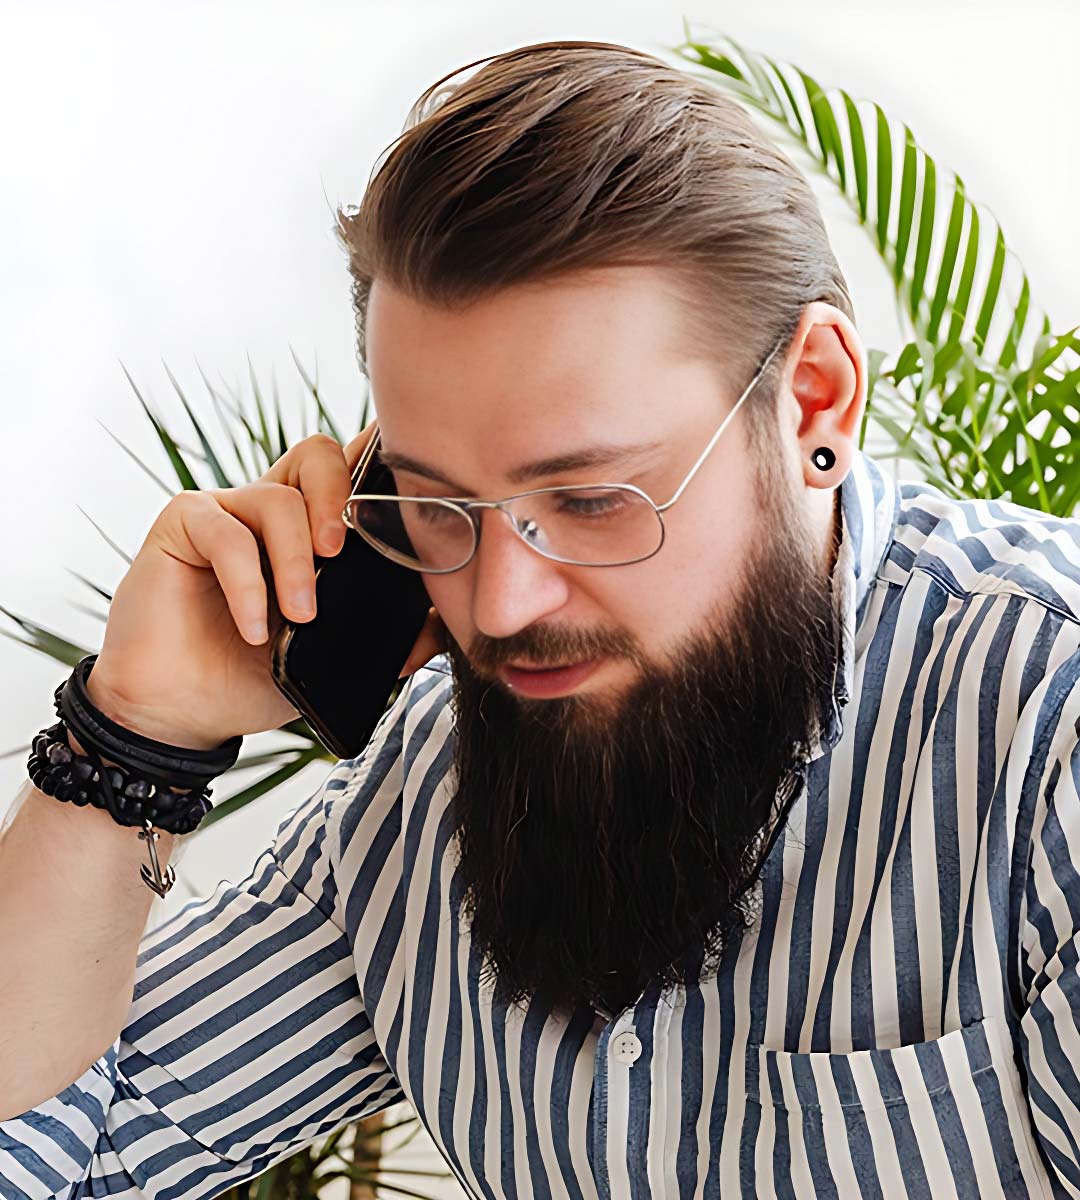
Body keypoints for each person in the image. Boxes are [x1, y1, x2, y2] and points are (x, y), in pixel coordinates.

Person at [2, 37, 1078, 1200]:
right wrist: (129, 745)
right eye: (436, 503)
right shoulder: (427, 800)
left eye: (591, 498)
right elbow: (66, 1160)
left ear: (814, 397)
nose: (501, 605)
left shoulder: (1047, 735)